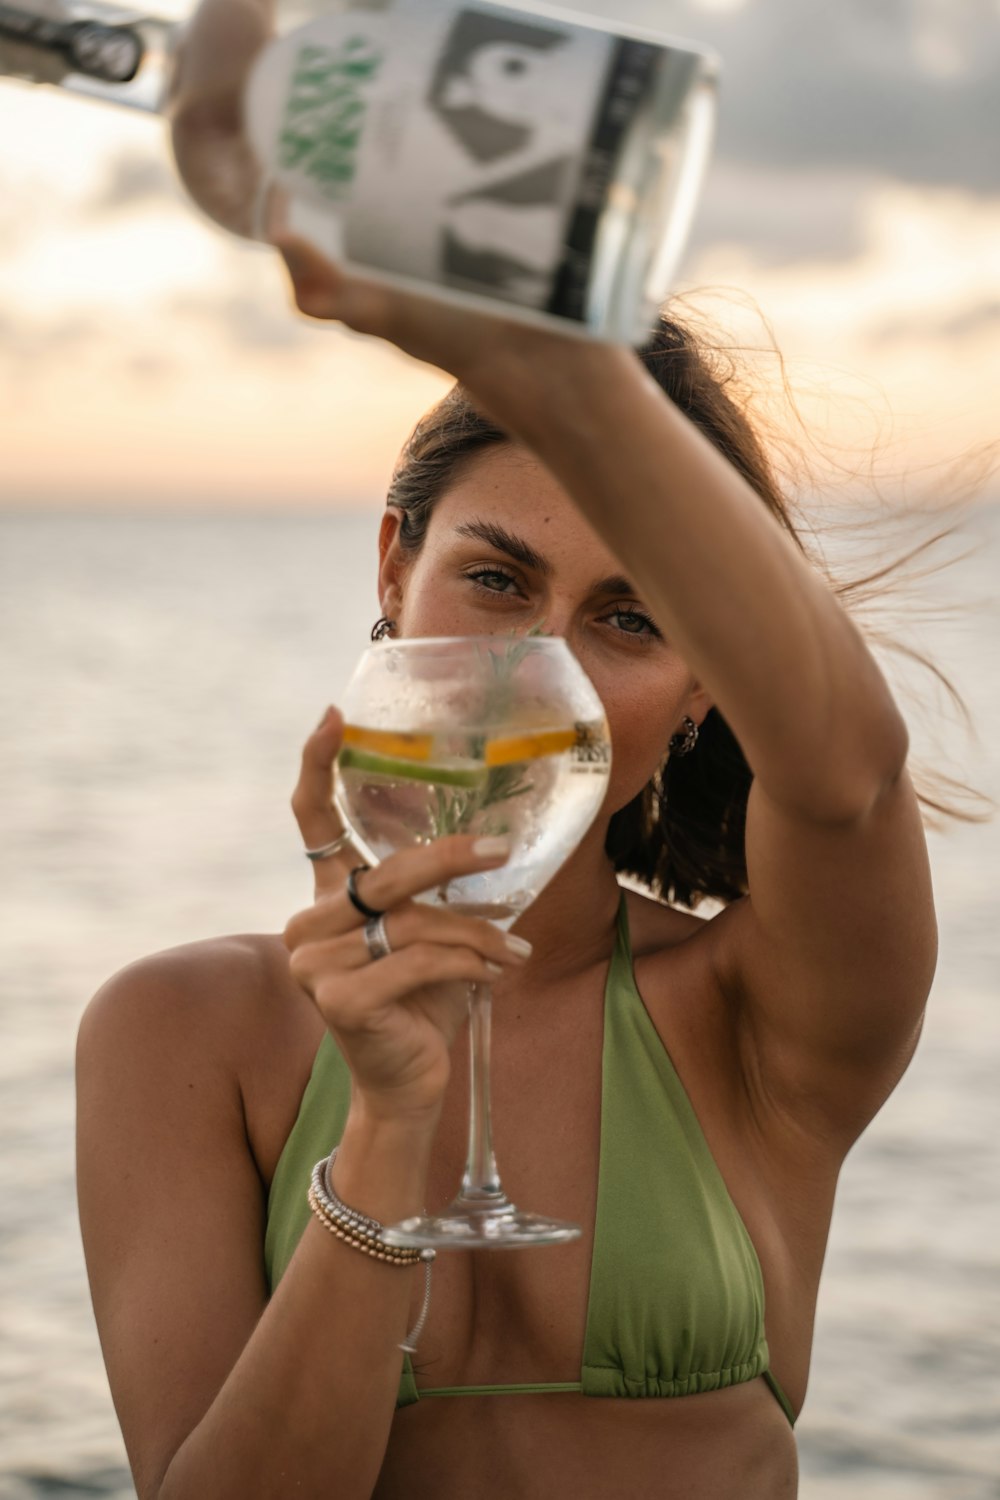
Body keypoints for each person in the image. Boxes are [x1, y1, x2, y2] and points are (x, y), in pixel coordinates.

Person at [76, 11, 939, 1500]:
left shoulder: (764, 1014)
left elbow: (847, 775)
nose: (542, 668)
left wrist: (538, 354)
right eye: (494, 581)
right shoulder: (182, 1033)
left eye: (630, 617)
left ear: (707, 685)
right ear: (394, 566)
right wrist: (394, 1131)